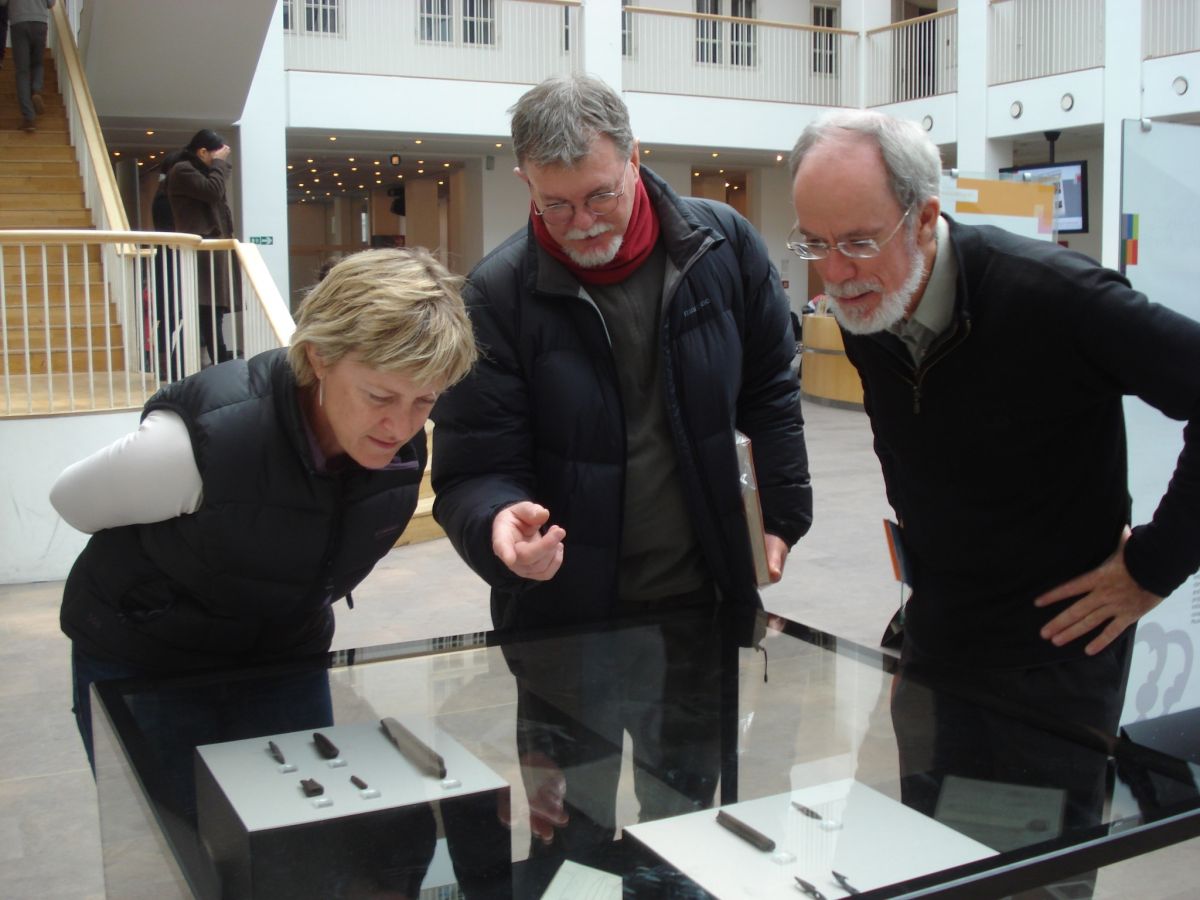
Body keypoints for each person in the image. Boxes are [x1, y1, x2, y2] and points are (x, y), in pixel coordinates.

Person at [789, 109, 1200, 885]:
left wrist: (1154, 565)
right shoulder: (867, 307)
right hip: (940, 638)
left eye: (859, 241)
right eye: (816, 244)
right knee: (933, 863)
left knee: (1031, 876)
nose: (835, 274)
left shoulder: (1054, 295)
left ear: (926, 217)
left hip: (1054, 658)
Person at [432, 74, 812, 849]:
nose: (580, 223)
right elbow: (475, 467)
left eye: (599, 195)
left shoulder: (723, 246)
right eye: (556, 205)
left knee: (689, 830)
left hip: (693, 617)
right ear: (524, 184)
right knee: (568, 840)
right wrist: (500, 526)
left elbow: (771, 390)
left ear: (637, 157)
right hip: (566, 634)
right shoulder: (498, 295)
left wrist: (779, 516)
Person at [50, 247, 478, 768]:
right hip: (147, 658)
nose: (400, 427)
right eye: (379, 397)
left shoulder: (401, 450)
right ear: (319, 356)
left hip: (283, 648)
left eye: (424, 401)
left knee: (292, 829)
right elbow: (74, 504)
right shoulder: (203, 441)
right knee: (172, 834)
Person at [168, 128, 238, 365]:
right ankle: (211, 359)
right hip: (199, 253)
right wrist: (219, 164)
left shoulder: (199, 172)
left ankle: (211, 357)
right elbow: (213, 192)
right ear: (202, 151)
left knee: (209, 310)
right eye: (216, 154)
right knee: (204, 309)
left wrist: (216, 164)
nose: (221, 159)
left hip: (209, 252)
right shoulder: (182, 170)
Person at [151, 149, 186, 380]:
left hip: (168, 261)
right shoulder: (166, 199)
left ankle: (168, 364)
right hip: (170, 262)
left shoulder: (162, 196)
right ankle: (167, 365)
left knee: (172, 317)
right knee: (171, 317)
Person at [8, 0, 55, 133]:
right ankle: (36, 90)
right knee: (38, 63)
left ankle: (29, 118)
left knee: (22, 71)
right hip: (40, 22)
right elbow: (51, 3)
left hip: (19, 22)